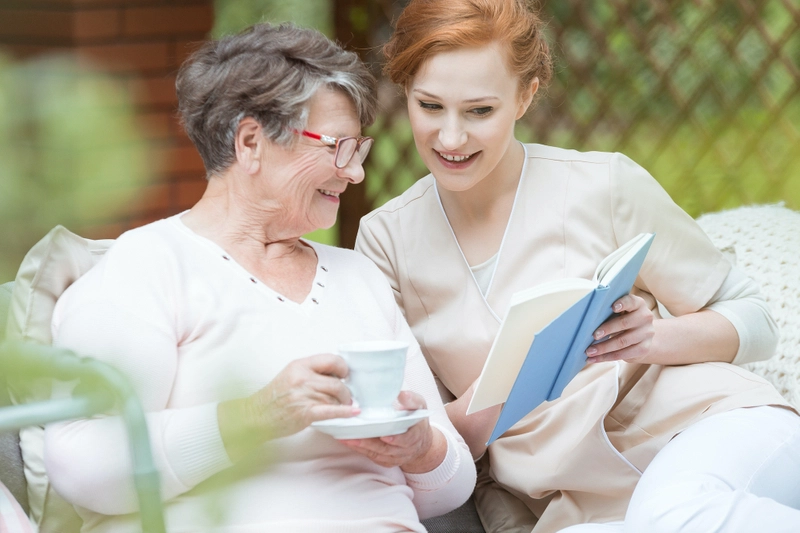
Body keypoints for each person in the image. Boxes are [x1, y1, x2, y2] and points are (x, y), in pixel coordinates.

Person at [355, 1, 800, 532]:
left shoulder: (604, 185)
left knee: (675, 512)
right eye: (430, 106)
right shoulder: (385, 242)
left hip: (708, 430)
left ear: (526, 96)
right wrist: (507, 385)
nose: (451, 138)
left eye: (479, 111)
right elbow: (427, 441)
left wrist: (652, 339)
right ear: (404, 91)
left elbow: (756, 319)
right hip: (575, 504)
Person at [43, 23, 475, 533]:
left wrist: (420, 448)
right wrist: (252, 418)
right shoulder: (150, 266)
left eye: (357, 151)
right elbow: (82, 463)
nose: (355, 173)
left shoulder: (358, 276)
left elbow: (450, 488)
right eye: (338, 147)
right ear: (251, 142)